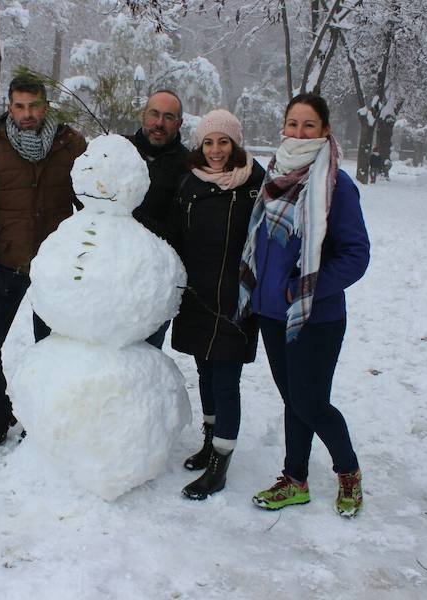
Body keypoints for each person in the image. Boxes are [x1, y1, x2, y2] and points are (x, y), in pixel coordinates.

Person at [236, 93, 369, 518]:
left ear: (325, 130)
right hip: (272, 314)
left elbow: (355, 254)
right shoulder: (274, 176)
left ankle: (348, 471)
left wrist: (307, 288)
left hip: (315, 315)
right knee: (294, 401)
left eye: (309, 125)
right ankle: (295, 480)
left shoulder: (336, 186)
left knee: (312, 403)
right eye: (293, 124)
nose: (299, 132)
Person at [0, 75, 87, 448]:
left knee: (51, 349)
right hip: (6, 263)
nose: (27, 114)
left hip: (54, 269)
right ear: (9, 106)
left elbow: (89, 204)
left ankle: (43, 420)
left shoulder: (70, 144)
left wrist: (83, 255)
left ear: (46, 106)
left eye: (34, 106)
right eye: (19, 106)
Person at [167, 109, 264, 500]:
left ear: (235, 144)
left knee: (226, 381)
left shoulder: (256, 184)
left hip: (236, 298)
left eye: (224, 141)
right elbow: (174, 235)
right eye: (209, 142)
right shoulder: (189, 184)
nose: (216, 150)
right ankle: (210, 442)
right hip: (198, 297)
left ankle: (221, 463)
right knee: (205, 374)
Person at [127, 90, 190, 349]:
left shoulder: (188, 165)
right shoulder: (122, 150)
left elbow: (177, 230)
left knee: (144, 361)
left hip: (153, 282)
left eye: (168, 117)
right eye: (154, 114)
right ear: (144, 114)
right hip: (109, 272)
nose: (159, 123)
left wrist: (130, 215)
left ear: (179, 123)